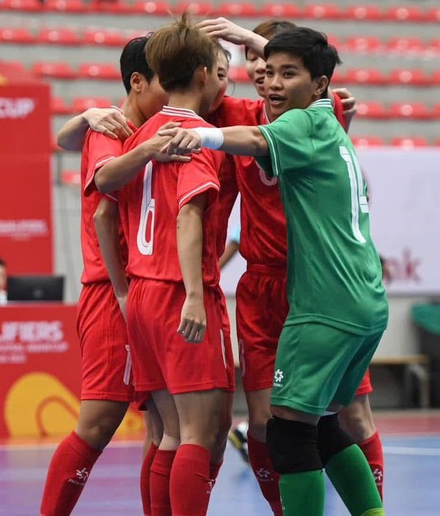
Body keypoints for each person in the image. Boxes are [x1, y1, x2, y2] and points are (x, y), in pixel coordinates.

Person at [161, 27, 386, 516]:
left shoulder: (301, 124)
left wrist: (197, 134)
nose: (272, 78)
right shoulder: (328, 121)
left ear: (320, 83)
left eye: (288, 72)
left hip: (322, 301)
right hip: (357, 297)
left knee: (289, 430)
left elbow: (252, 138)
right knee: (321, 424)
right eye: (265, 67)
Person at [41, 35, 182, 516]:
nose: (177, 90)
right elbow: (104, 204)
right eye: (168, 80)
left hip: (145, 293)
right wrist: (122, 292)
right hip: (111, 293)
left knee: (162, 427)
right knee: (99, 422)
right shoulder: (111, 128)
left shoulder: (156, 127)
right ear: (138, 81)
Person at [117, 16, 233, 516]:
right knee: (197, 435)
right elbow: (189, 215)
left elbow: (104, 207)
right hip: (177, 292)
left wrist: (124, 288)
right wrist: (192, 294)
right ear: (205, 74)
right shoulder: (197, 137)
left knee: (166, 432)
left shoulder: (142, 133)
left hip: (141, 290)